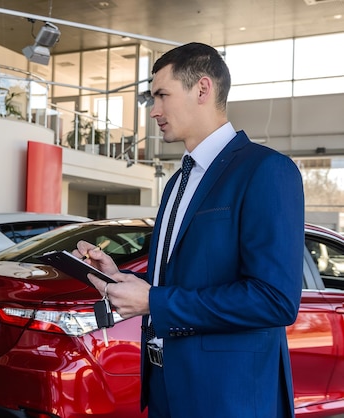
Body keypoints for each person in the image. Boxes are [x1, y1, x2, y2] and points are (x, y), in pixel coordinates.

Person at [76, 42, 304, 418]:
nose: (154, 111)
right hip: (166, 387)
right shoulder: (178, 181)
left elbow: (275, 299)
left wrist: (156, 303)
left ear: (202, 89)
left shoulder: (265, 171)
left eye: (162, 95)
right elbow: (186, 276)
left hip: (228, 396)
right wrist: (124, 280)